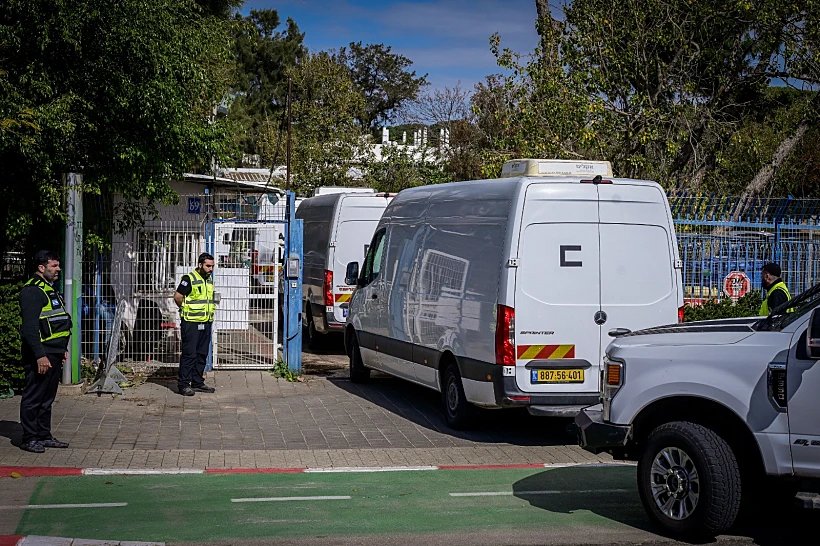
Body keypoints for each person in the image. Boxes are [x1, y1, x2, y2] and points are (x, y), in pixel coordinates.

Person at [19, 250, 72, 453]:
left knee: (47, 399)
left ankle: (43, 435)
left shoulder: (49, 288)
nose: (58, 269)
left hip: (54, 352)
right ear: (41, 268)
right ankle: (29, 438)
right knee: (34, 397)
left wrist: (61, 349)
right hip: (41, 354)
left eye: (58, 265)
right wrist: (40, 355)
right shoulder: (33, 291)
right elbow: (30, 328)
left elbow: (56, 320)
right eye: (54, 266)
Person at [174, 253, 217, 396]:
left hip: (206, 321)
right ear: (200, 265)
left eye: (212, 266)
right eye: (208, 266)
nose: (211, 269)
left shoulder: (208, 280)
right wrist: (184, 309)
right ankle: (183, 384)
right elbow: (178, 297)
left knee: (202, 353)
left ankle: (197, 382)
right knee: (189, 354)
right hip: (191, 323)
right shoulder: (189, 279)